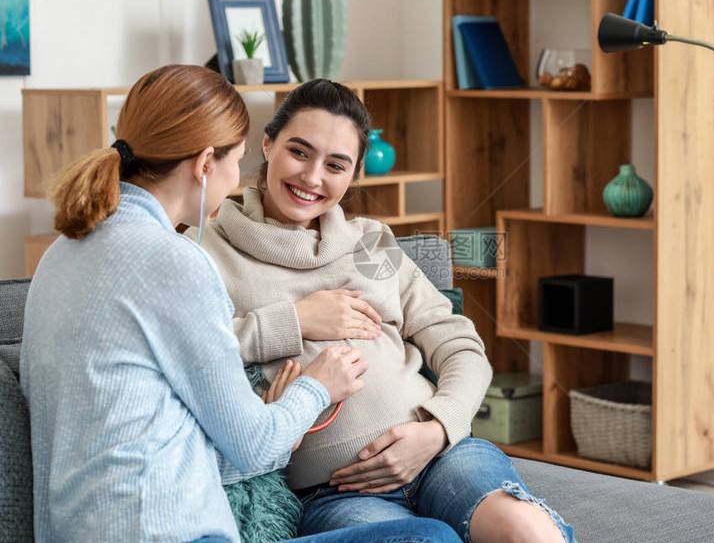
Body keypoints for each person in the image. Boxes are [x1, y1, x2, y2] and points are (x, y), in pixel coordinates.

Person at [19, 64, 462, 543]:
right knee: (427, 538)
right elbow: (252, 449)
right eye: (238, 159)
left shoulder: (62, 252)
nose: (238, 175)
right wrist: (314, 389)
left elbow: (150, 443)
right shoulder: (180, 260)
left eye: (336, 163)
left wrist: (278, 423)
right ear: (206, 163)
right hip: (166, 532)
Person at [189, 78, 576, 543]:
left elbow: (460, 344)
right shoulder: (209, 249)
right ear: (267, 144)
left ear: (352, 176)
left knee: (524, 530)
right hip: (333, 489)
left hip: (441, 456)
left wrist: (437, 428)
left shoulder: (371, 241)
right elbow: (189, 354)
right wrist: (294, 321)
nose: (312, 178)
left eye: (336, 164)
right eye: (299, 151)